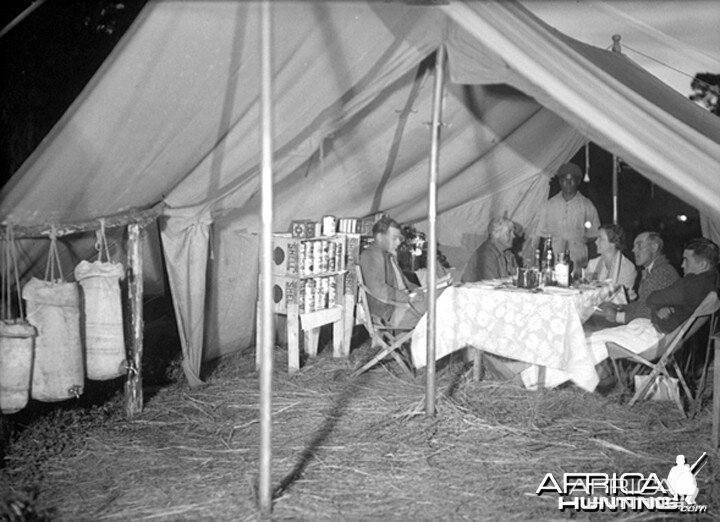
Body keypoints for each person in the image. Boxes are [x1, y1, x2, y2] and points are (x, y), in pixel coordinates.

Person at [359, 216, 426, 329]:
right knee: (436, 309)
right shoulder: (371, 255)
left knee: (437, 300)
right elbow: (378, 289)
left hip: (402, 304)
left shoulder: (390, 256)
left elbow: (406, 283)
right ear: (380, 237)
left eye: (399, 238)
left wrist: (421, 290)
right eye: (394, 238)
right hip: (390, 311)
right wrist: (408, 298)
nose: (399, 242)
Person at [599, 232, 679, 325]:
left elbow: (651, 312)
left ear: (654, 247)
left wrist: (617, 316)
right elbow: (643, 304)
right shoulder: (654, 270)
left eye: (639, 245)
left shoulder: (662, 274)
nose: (633, 250)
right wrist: (620, 307)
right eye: (634, 246)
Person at [537, 162, 600, 269]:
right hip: (553, 257)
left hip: (578, 258)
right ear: (560, 182)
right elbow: (542, 235)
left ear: (578, 181)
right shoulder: (549, 205)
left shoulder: (587, 205)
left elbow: (594, 235)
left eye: (572, 179)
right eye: (564, 180)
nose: (568, 183)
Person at [586, 224, 637, 298]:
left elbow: (620, 298)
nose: (596, 242)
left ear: (613, 243)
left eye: (601, 238)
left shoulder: (627, 268)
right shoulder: (592, 264)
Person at [462, 217, 517, 282]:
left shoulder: (508, 254)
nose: (514, 236)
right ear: (496, 234)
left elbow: (518, 277)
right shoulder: (485, 254)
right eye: (509, 232)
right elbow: (491, 285)